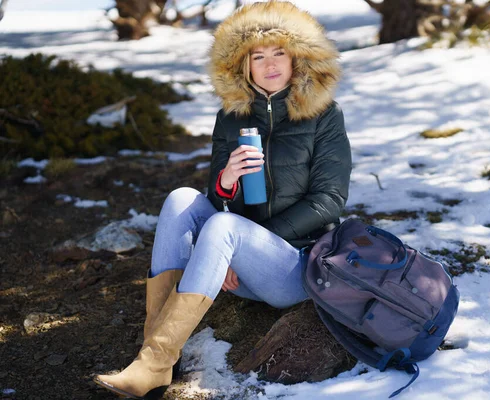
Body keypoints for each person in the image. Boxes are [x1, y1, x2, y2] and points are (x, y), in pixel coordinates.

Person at [93, 1, 351, 398]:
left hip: (292, 266)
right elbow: (216, 198)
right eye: (257, 56)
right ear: (242, 65)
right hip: (235, 261)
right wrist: (227, 179)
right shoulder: (231, 117)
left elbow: (329, 200)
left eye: (279, 53)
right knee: (182, 197)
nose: (269, 65)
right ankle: (155, 356)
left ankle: (156, 361)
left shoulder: (324, 116)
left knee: (226, 226)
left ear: (297, 57)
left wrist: (240, 241)